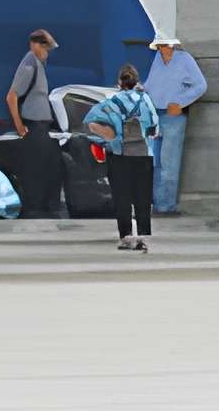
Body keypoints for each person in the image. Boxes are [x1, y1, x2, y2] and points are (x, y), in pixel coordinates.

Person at [84, 65, 162, 251]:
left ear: (119, 82)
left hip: (120, 155)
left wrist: (108, 137)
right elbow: (155, 126)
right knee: (143, 197)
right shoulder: (146, 100)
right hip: (144, 154)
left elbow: (90, 121)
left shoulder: (112, 101)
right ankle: (143, 235)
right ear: (136, 81)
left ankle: (126, 236)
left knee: (122, 197)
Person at [3, 28, 66, 219]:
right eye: (45, 48)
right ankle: (35, 209)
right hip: (34, 126)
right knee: (36, 170)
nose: (48, 53)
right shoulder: (29, 64)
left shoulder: (38, 63)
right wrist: (20, 127)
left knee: (47, 167)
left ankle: (43, 207)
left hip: (41, 126)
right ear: (35, 45)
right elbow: (11, 97)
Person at [144, 33, 206, 215]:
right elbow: (152, 84)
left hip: (172, 117)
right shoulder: (157, 59)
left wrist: (180, 102)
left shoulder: (184, 59)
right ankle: (157, 205)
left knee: (169, 163)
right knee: (156, 162)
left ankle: (166, 206)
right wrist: (142, 89)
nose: (162, 47)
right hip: (155, 115)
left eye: (164, 44)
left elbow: (201, 85)